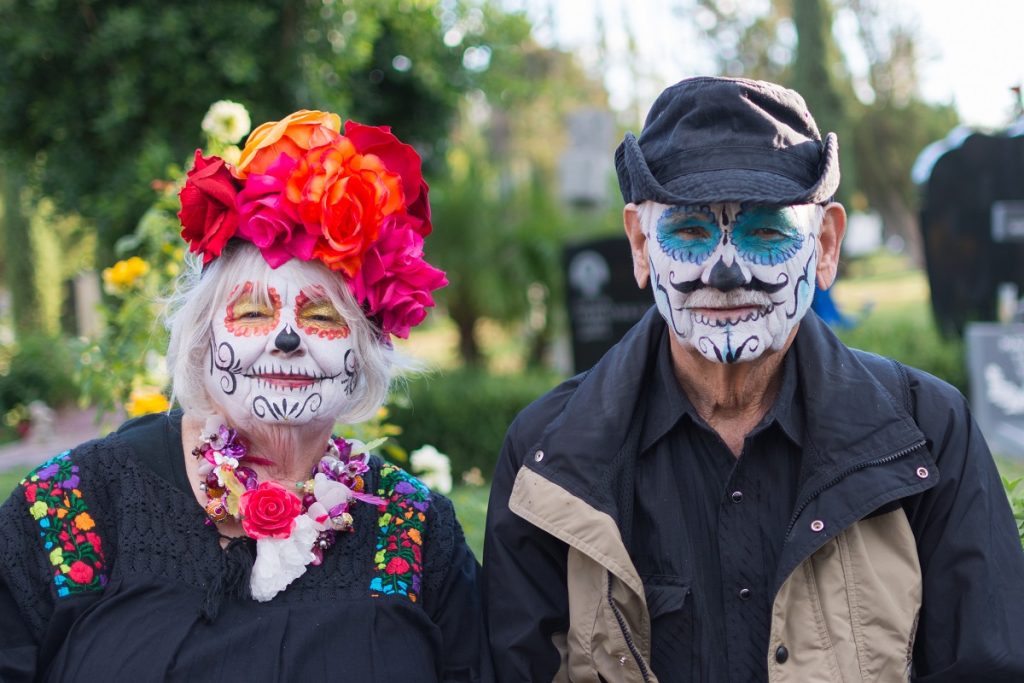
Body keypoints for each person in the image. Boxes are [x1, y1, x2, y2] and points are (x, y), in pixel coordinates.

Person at [483, 77, 1024, 682]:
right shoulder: (548, 454)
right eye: (687, 232)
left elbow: (988, 664)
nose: (725, 269)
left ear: (824, 245)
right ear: (640, 245)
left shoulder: (928, 432)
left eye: (765, 233)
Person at [0, 109, 491, 681]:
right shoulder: (77, 507)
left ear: (365, 349)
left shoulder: (416, 531)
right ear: (203, 337)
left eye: (322, 315)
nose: (288, 340)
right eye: (255, 311)